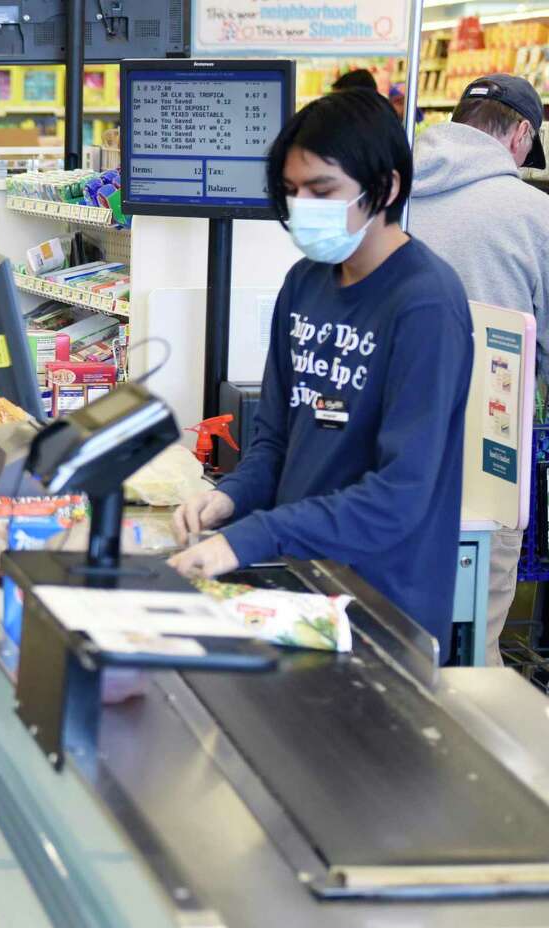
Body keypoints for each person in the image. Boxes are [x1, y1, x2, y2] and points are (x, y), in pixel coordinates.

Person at [169, 89, 474, 660]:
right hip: (301, 585)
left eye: (322, 190)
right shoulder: (305, 284)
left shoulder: (426, 304)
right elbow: (275, 442)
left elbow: (399, 496)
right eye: (292, 192)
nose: (303, 206)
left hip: (382, 609)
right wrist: (230, 500)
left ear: (385, 188)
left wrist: (253, 536)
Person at [409, 74, 549, 665]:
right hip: (485, 463)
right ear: (520, 133)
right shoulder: (533, 213)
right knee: (472, 650)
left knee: (387, 631)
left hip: (384, 456)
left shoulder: (389, 191)